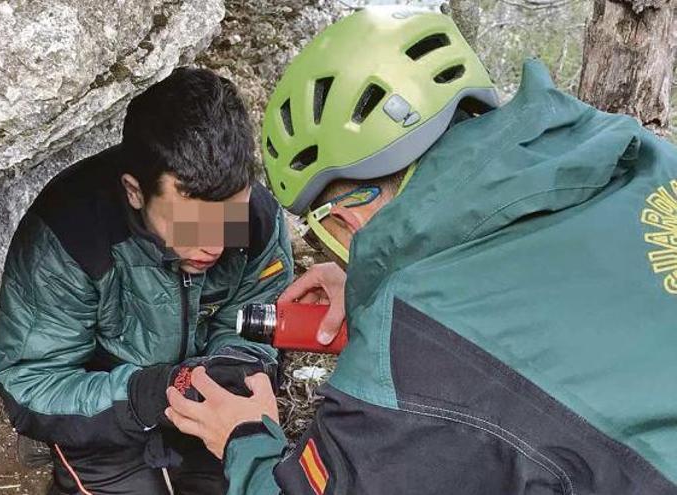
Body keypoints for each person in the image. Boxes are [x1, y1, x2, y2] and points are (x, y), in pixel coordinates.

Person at [165, 6, 677, 494]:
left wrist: (244, 438)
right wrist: (384, 293)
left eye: (320, 230)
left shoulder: (418, 354)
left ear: (348, 216)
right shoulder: (640, 158)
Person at [0, 67, 294, 495]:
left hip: (206, 404)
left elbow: (254, 320)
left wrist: (235, 369)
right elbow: (32, 382)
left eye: (228, 221)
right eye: (190, 224)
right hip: (105, 417)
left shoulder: (257, 220)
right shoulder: (71, 236)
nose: (214, 246)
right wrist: (147, 396)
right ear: (135, 192)